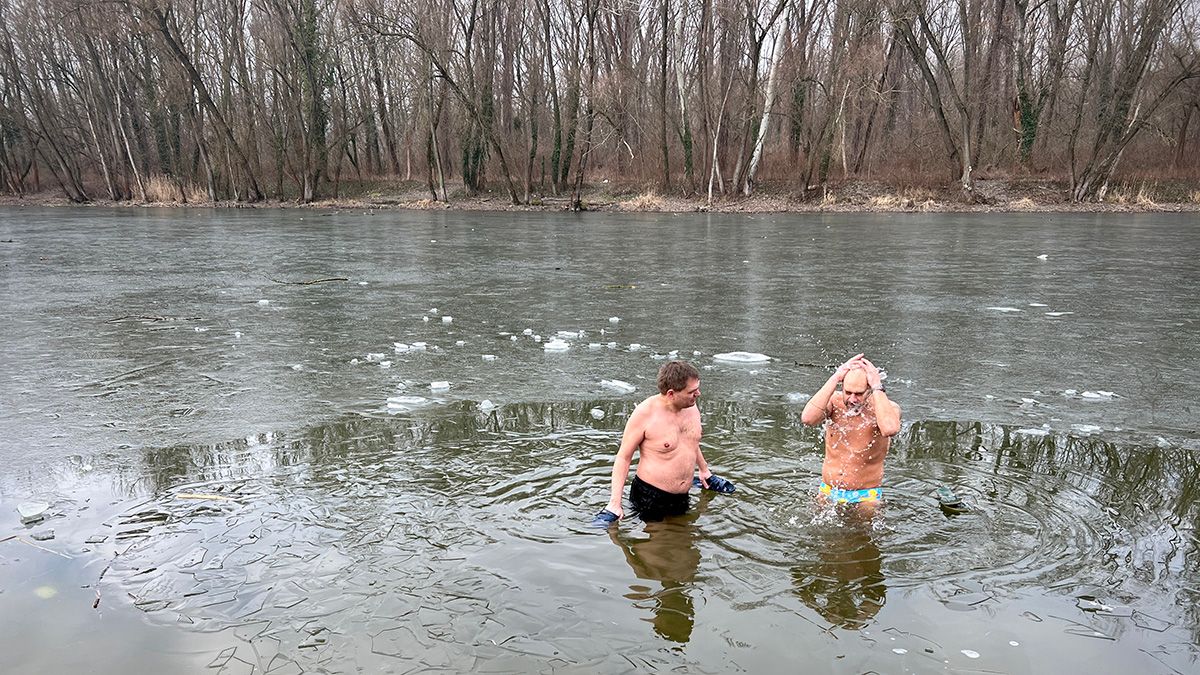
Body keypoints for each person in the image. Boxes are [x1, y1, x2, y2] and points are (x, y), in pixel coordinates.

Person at [596, 360, 734, 523]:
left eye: (697, 389)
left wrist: (705, 471)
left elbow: (690, 442)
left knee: (685, 543)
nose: (698, 394)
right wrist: (615, 503)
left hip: (682, 497)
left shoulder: (691, 405)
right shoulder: (645, 414)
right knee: (656, 546)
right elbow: (623, 458)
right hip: (651, 498)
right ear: (671, 394)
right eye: (692, 391)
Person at [800, 354, 901, 505]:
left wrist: (877, 386)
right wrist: (835, 378)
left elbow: (889, 429)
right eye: (848, 392)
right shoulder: (834, 403)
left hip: (866, 496)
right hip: (828, 490)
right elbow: (808, 419)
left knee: (862, 529)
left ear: (869, 390)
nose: (852, 399)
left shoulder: (884, 407)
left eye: (859, 394)